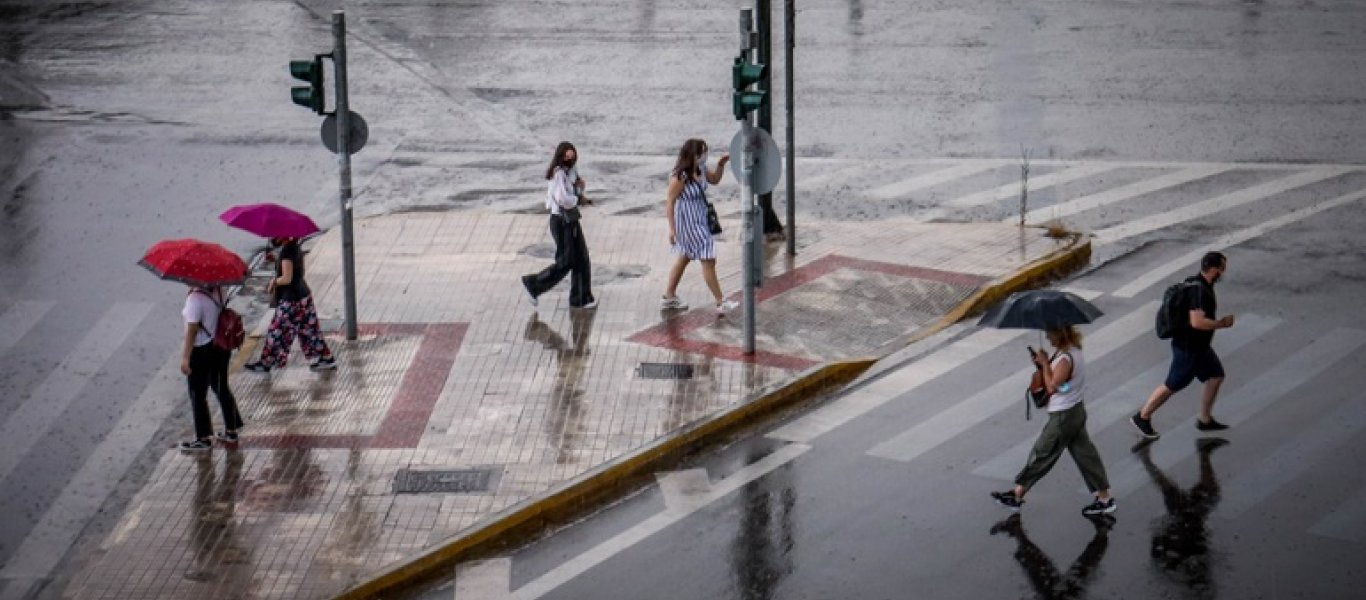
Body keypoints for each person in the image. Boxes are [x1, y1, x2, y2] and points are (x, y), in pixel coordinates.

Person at [992, 326, 1116, 516]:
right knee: (1085, 455)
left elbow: (1052, 386)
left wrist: (1044, 363)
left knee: (1042, 452)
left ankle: (1016, 495)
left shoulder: (1066, 358)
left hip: (1063, 416)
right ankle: (1105, 498)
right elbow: (1063, 384)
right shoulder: (1072, 351)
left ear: (1061, 333)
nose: (1048, 337)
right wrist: (1043, 365)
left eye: (1050, 333)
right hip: (1074, 410)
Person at [1131, 252, 1235, 439]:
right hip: (1190, 349)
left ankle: (1205, 419)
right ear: (1213, 269)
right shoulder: (1199, 291)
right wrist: (1222, 323)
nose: (1223, 272)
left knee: (1216, 376)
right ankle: (1142, 416)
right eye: (1222, 268)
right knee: (1171, 385)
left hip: (1199, 347)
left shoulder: (1197, 282)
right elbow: (1197, 322)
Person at [660, 138, 739, 316]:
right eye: (702, 153)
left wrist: (720, 165)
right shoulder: (680, 176)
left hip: (700, 220)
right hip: (688, 224)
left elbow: (715, 179)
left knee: (685, 257)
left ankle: (668, 296)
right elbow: (670, 202)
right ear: (692, 155)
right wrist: (672, 229)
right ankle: (720, 301)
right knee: (708, 259)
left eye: (705, 152)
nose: (704, 156)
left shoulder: (700, 170)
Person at [244, 237, 336, 373]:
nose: (273, 237)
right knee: (310, 331)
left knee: (276, 332)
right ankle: (326, 357)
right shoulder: (295, 248)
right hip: (303, 296)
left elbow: (287, 278)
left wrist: (273, 282)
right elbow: (294, 270)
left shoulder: (287, 252)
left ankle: (266, 362)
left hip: (291, 301)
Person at [522, 141, 596, 309]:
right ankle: (533, 284)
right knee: (567, 260)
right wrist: (577, 199)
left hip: (571, 219)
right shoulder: (558, 175)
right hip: (562, 221)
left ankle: (581, 298)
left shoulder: (570, 173)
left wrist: (580, 189)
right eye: (567, 157)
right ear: (560, 157)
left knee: (581, 258)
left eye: (572, 157)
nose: (570, 160)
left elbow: (572, 194)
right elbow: (562, 199)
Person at [179, 285, 244, 451]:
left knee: (197, 393)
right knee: (221, 387)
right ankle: (231, 430)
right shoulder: (220, 290)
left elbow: (192, 330)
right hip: (221, 346)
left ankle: (203, 438)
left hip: (201, 349)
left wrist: (185, 357)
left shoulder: (195, 299)